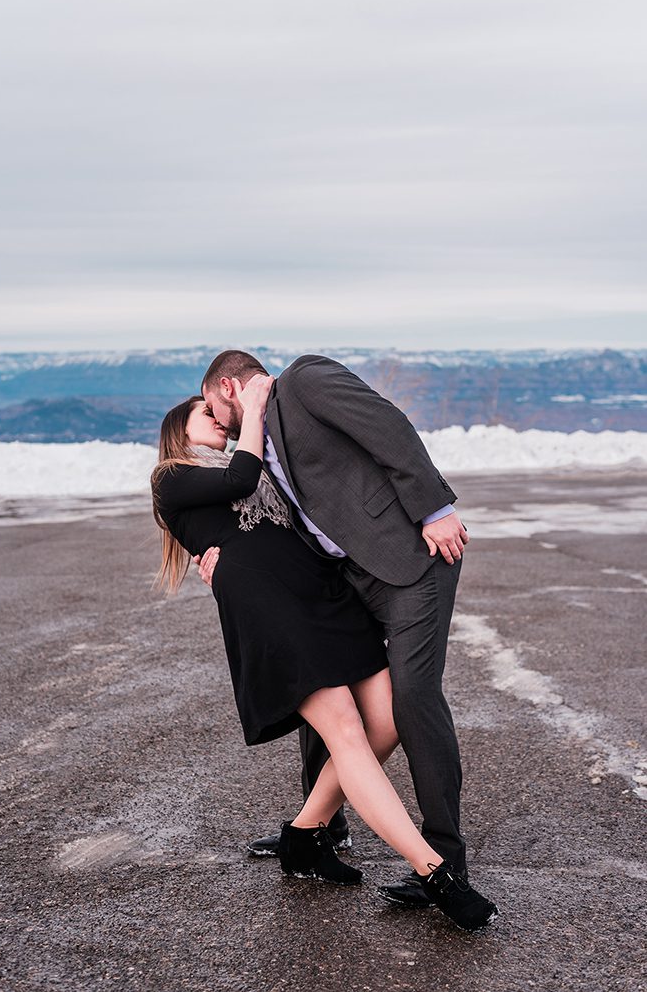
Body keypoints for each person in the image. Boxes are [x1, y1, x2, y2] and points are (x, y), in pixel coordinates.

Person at [151, 379, 497, 931]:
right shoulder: (172, 478)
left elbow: (301, 507)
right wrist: (257, 407)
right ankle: (436, 871)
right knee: (348, 734)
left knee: (387, 718)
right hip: (272, 609)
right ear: (177, 429)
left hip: (321, 597)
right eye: (204, 416)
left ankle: (305, 834)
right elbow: (240, 480)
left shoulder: (249, 467)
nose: (219, 422)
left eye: (217, 411)